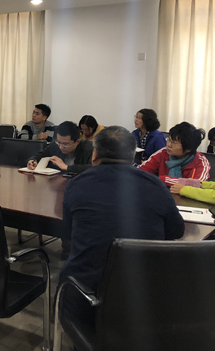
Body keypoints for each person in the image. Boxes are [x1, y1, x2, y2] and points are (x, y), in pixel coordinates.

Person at [58, 126, 185, 333]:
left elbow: (67, 232)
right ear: (132, 156)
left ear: (95, 154)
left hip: (84, 295)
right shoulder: (155, 185)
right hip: (145, 297)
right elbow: (176, 232)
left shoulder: (77, 183)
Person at [139, 121, 210, 187]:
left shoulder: (200, 161)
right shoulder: (163, 153)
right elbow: (140, 172)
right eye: (169, 140)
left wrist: (162, 179)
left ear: (188, 149)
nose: (169, 145)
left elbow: (198, 184)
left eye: (174, 143)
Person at [27, 121, 93, 174]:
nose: (61, 147)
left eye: (65, 144)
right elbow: (40, 155)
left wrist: (66, 167)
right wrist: (32, 161)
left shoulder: (89, 148)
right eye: (59, 142)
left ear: (77, 142)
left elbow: (94, 167)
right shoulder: (55, 145)